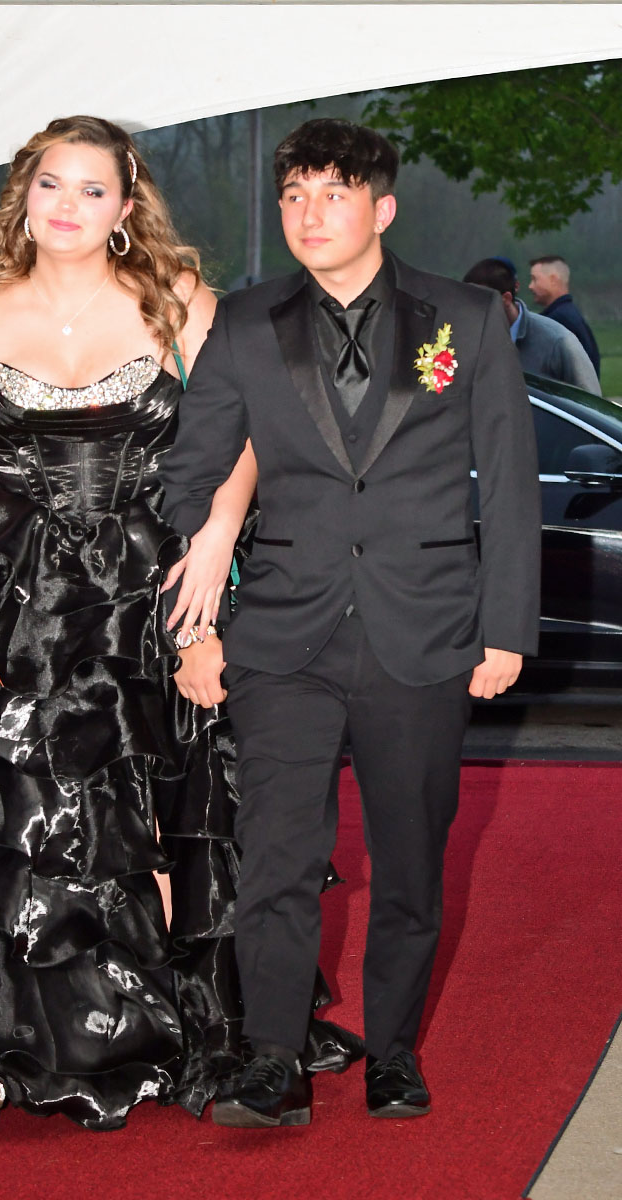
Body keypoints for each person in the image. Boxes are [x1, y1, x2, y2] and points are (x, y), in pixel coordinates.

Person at [0, 115, 357, 1133]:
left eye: (93, 190)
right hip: (20, 592)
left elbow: (250, 433)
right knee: (13, 817)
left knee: (170, 807)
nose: (70, 208)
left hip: (159, 578)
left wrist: (217, 537)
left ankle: (180, 1026)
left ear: (126, 207)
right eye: (53, 186)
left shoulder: (177, 301)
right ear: (23, 196)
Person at [160, 118, 541, 1128]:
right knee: (275, 854)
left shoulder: (460, 318)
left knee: (411, 860)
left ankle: (392, 1053)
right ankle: (271, 1060)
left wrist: (504, 629)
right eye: (292, 197)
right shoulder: (242, 321)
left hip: (425, 631)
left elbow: (505, 483)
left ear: (379, 207)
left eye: (331, 194)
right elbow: (187, 482)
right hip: (282, 632)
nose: (308, 214)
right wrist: (192, 630)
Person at [464, 257, 601, 394]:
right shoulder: (471, 340)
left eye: (480, 303)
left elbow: (591, 405)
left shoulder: (557, 340)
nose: (472, 311)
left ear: (505, 299)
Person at [528, 255, 600, 376]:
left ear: (553, 280)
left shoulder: (558, 321)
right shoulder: (569, 314)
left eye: (535, 279)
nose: (530, 286)